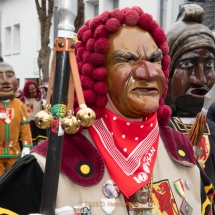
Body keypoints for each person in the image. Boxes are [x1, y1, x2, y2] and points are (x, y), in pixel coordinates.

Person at [0, 6, 213, 215]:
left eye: (154, 59)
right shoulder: (47, 166)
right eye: (128, 60)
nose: (148, 73)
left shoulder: (182, 153)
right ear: (97, 73)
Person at [165, 3, 215, 201]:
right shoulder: (152, 132)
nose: (200, 79)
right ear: (166, 72)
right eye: (187, 65)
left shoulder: (213, 131)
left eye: (209, 65)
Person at [0, 57, 32, 176]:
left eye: (9, 75)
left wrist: (27, 146)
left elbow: (25, 127)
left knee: (12, 182)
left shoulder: (19, 104)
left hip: (14, 153)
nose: (5, 81)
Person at [21, 80, 47, 145]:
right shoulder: (22, 100)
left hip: (39, 124)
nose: (34, 90)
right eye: (31, 89)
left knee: (41, 142)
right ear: (27, 90)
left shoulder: (41, 99)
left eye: (34, 88)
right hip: (27, 124)